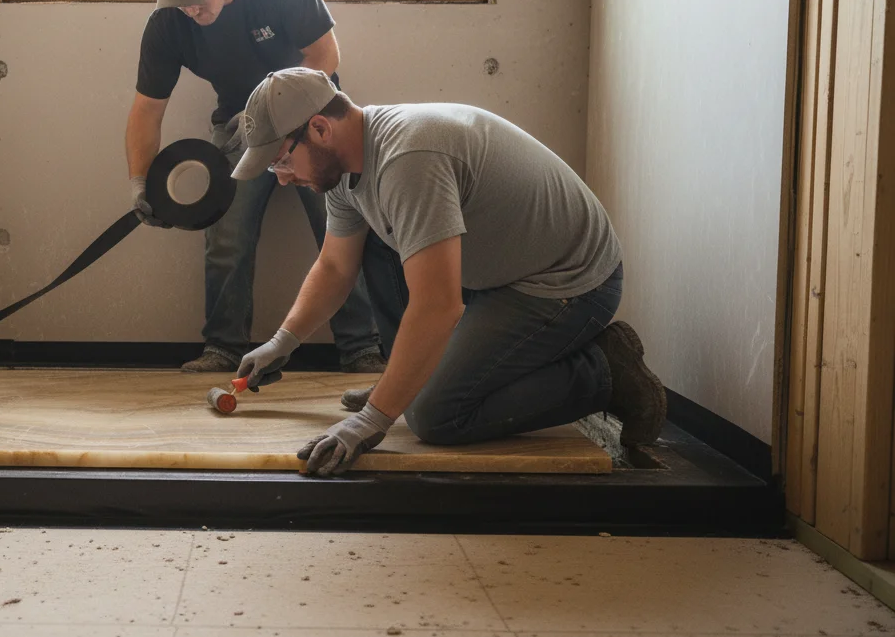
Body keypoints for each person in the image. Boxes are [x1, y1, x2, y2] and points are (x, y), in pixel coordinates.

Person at [230, 67, 667, 477]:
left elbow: (438, 307)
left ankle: (604, 371)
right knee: (384, 267)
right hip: (496, 277)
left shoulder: (408, 159)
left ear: (320, 129)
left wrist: (374, 418)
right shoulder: (346, 166)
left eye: (282, 162)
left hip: (565, 283)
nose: (282, 179)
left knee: (434, 415)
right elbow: (334, 266)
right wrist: (282, 342)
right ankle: (419, 377)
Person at [126, 0, 386, 375]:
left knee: (340, 229)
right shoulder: (169, 22)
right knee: (226, 236)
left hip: (313, 120)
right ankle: (223, 348)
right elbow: (147, 111)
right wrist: (140, 182)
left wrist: (273, 124)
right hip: (236, 128)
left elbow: (325, 55)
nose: (191, 8)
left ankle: (362, 348)